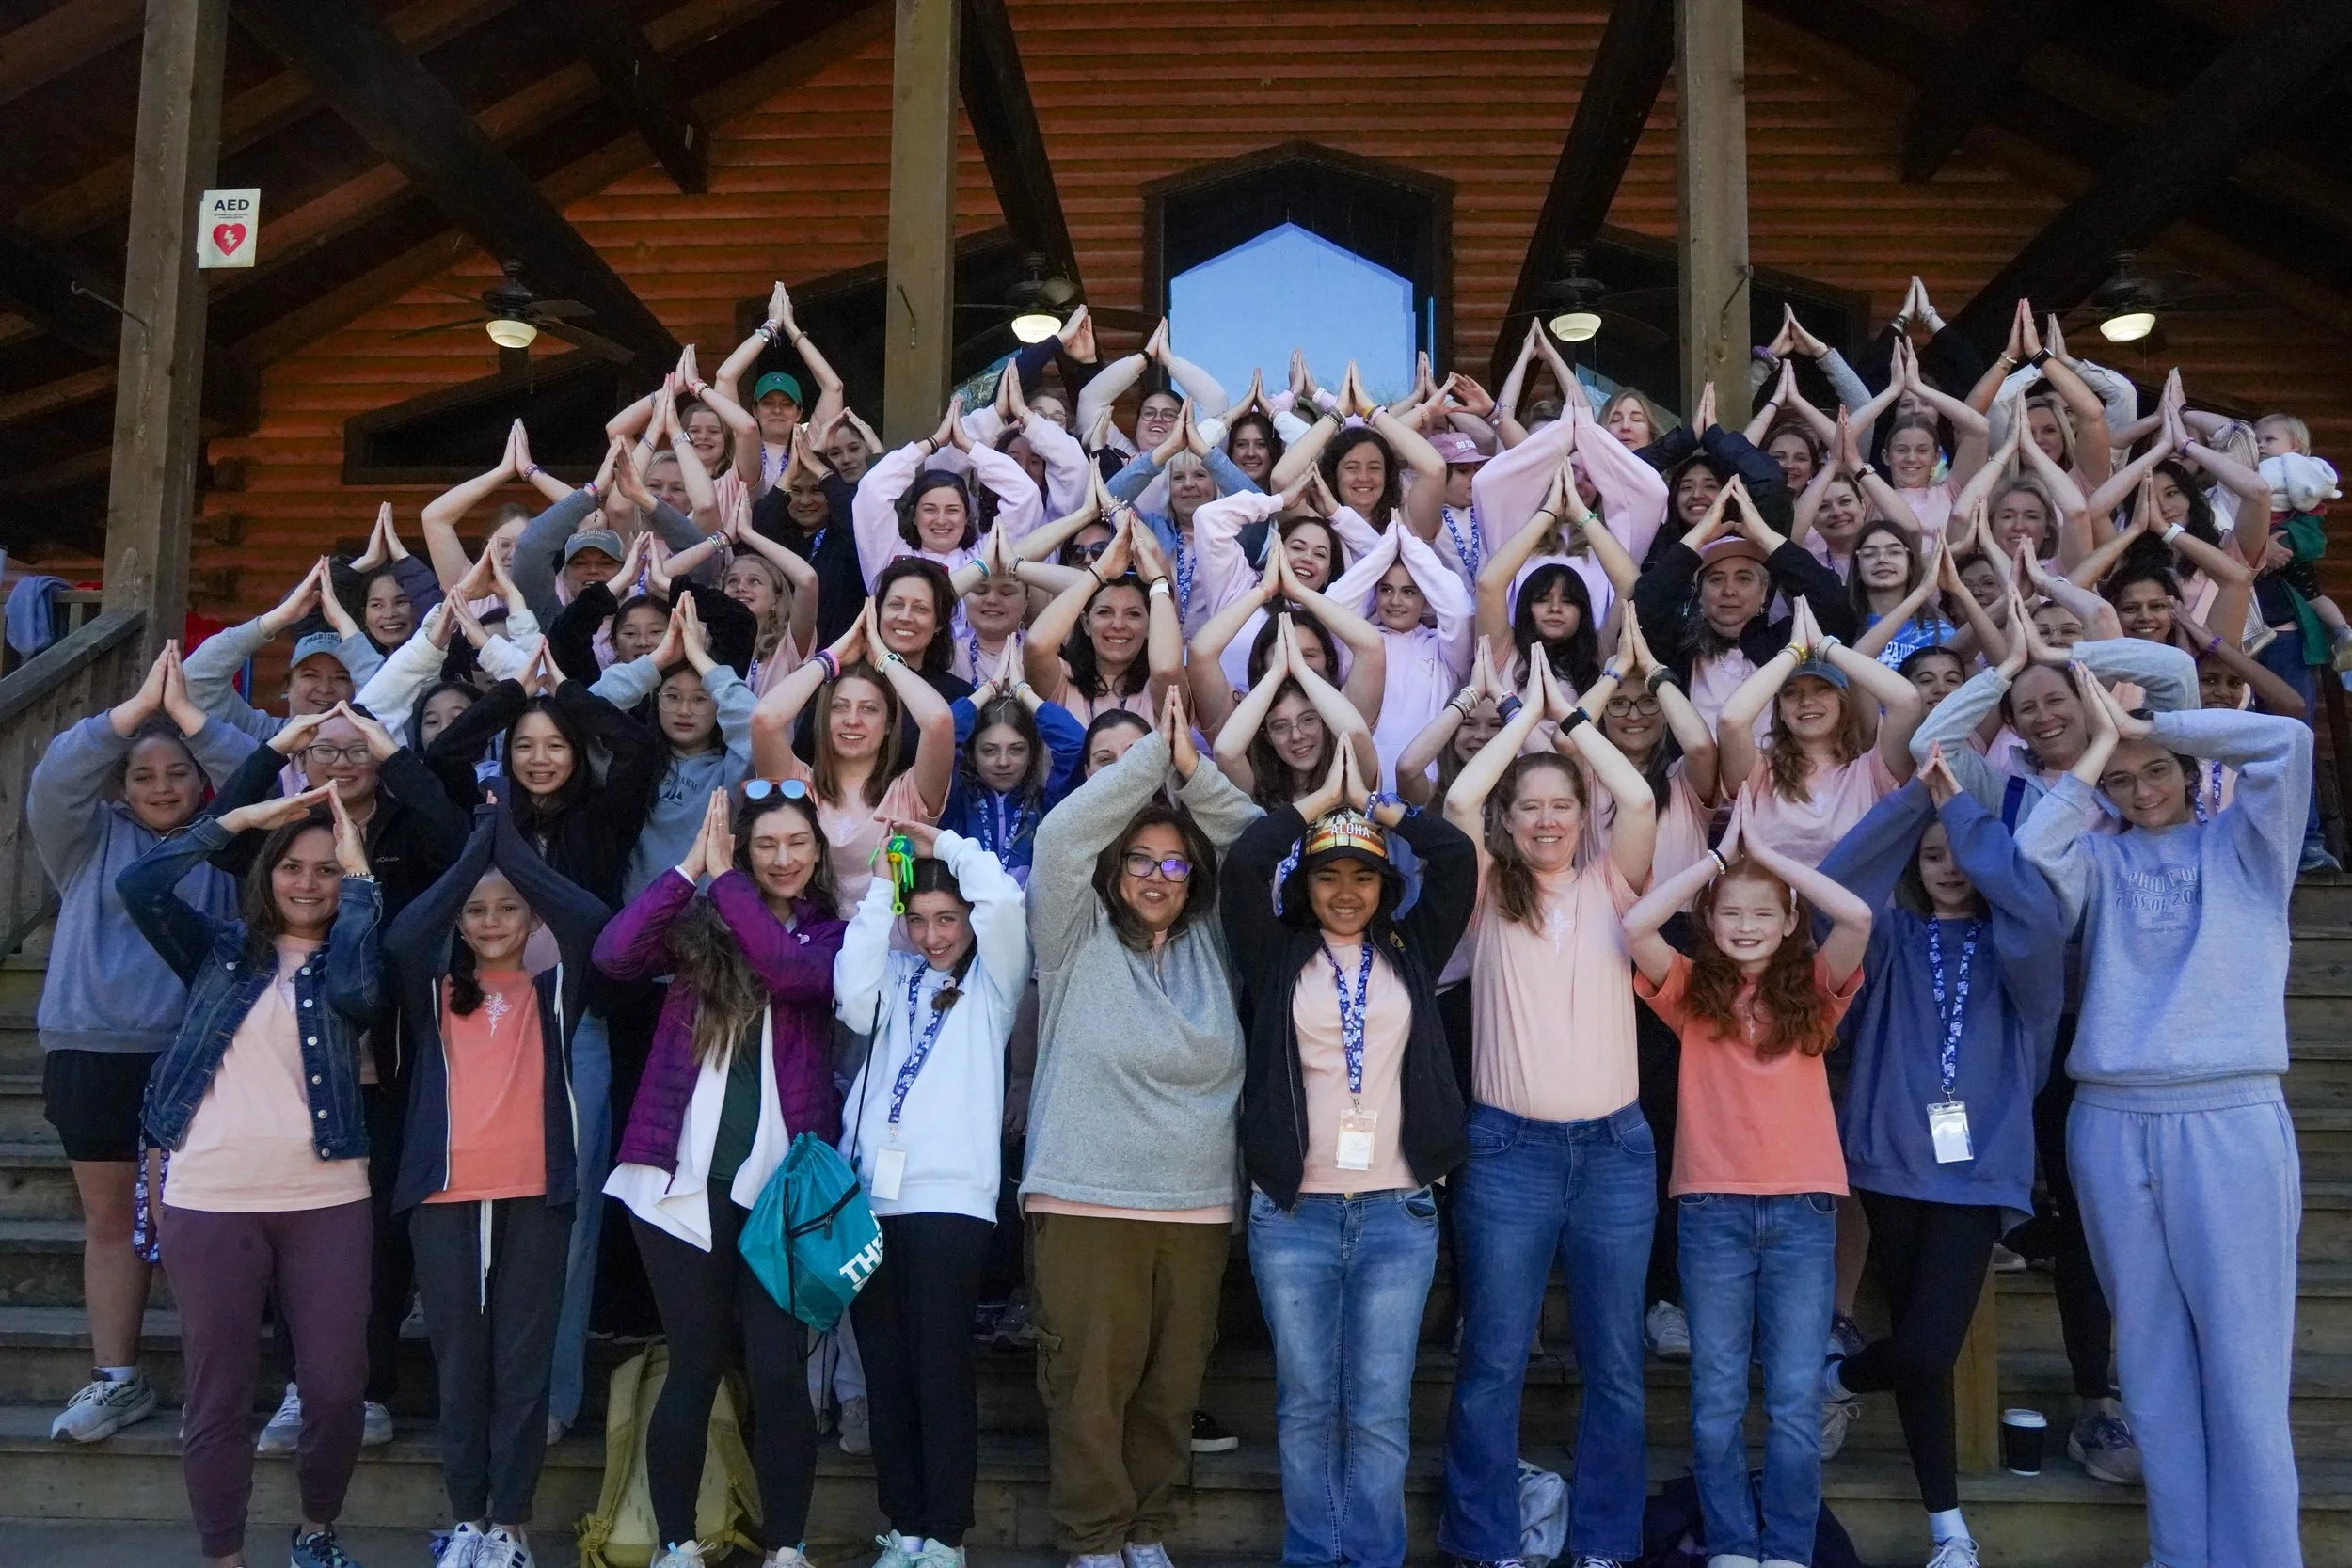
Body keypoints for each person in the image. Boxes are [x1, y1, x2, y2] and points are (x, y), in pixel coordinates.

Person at [2018, 676, 2311, 1568]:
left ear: (2188, 774)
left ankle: (2262, 1556)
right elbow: (2035, 842)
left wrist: (2151, 721)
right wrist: (2099, 746)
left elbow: (2286, 745)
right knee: (2146, 1360)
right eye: (2123, 781)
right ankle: (2179, 1552)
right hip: (2110, 1116)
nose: (2142, 791)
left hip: (2228, 1111)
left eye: (2158, 773)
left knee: (2244, 1359)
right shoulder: (2099, 861)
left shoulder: (2251, 846)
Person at [1219, 742, 1475, 1568]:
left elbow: (1456, 856)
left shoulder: (1410, 947)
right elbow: (1243, 865)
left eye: (1362, 876)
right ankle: (1310, 1553)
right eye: (1328, 876)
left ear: (1383, 886)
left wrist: (1382, 808)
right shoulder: (1277, 950)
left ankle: (1370, 1557)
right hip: (1294, 1212)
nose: (1344, 891)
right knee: (1304, 1403)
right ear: (1305, 886)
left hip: (1398, 1209)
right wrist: (1316, 803)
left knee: (1377, 1408)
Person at [1021, 687, 1260, 1568]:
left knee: (1168, 1392)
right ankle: (1093, 1538)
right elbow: (1058, 838)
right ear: (1113, 869)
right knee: (1089, 1390)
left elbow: (1261, 846)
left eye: (1175, 864)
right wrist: (1152, 758)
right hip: (1085, 1198)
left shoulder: (1216, 938)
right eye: (1141, 861)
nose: (1159, 877)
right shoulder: (1074, 934)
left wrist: (1191, 769)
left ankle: (1146, 1530)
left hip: (1194, 1204)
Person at [1815, 747, 2065, 1568]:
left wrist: (1962, 815)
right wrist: (1910, 804)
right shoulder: (1887, 934)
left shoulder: (2018, 949)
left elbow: (2031, 908)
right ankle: (1948, 1528)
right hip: (1888, 1163)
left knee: (1926, 1347)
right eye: (1933, 855)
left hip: (1977, 1171)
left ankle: (1840, 1381)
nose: (1950, 867)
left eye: (1963, 854)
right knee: (1924, 1353)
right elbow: (1835, 889)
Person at [119, 784, 380, 1568]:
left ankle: (316, 1530)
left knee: (336, 1390)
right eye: (292, 866)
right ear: (265, 872)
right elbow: (140, 884)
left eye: (328, 869)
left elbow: (358, 995)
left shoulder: (353, 952)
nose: (308, 882)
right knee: (219, 1393)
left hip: (327, 1196)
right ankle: (223, 1554)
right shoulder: (218, 947)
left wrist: (363, 883)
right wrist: (238, 820)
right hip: (210, 1197)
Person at [1436, 657, 1661, 1568]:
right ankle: (1485, 1540)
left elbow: (1638, 799)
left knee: (1615, 1365)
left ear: (1581, 812)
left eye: (1559, 803)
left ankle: (1605, 1542)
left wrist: (1565, 720)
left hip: (1615, 1151)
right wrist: (1514, 723)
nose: (1543, 818)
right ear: (1509, 818)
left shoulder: (1613, 880)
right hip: (1508, 1152)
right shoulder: (1490, 889)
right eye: (1526, 805)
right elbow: (1457, 800)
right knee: (1492, 1362)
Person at [597, 787, 847, 1568]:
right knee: (695, 1360)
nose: (783, 857)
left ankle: (787, 1548)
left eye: (796, 843)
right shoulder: (700, 926)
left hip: (784, 1191)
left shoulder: (831, 934)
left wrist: (727, 878)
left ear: (816, 853)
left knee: (777, 1371)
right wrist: (686, 873)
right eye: (765, 843)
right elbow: (612, 956)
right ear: (745, 846)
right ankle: (676, 1544)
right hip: (680, 1185)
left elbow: (790, 974)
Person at [1623, 804, 1872, 1568]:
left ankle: (1788, 1548)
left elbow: (1856, 914)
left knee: (1796, 1397)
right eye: (1731, 912)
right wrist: (1713, 864)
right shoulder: (1693, 988)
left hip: (1801, 1208)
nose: (1745, 923)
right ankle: (1733, 1544)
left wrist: (1771, 859)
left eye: (1763, 911)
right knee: (1717, 1396)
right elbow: (1637, 925)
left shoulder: (1817, 987)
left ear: (1789, 917)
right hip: (1711, 1208)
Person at [28, 643, 253, 1442]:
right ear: (120, 786)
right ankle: (116, 1378)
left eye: (178, 771)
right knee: (110, 1222)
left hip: (189, 1057)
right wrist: (130, 714)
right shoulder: (86, 840)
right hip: (91, 1049)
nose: (162, 786)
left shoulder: (231, 843)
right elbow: (58, 773)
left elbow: (262, 770)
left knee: (186, 1224)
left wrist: (191, 715)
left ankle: (213, 1389)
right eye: (143, 774)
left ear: (202, 782)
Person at [384, 802, 611, 1568]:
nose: (489, 921)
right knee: (461, 1365)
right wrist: (470, 859)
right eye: (475, 910)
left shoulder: (551, 990)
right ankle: (469, 1520)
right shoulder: (439, 991)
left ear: (528, 915)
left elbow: (586, 915)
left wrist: (503, 843)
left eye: (506, 907)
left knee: (521, 1366)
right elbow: (406, 932)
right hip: (444, 1201)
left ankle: (511, 1526)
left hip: (535, 1197)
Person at [834, 820, 1028, 1568]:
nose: (934, 934)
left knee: (939, 1364)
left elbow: (1007, 903)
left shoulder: (992, 981)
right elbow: (849, 995)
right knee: (885, 1368)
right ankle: (905, 1523)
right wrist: (887, 884)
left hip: (952, 1199)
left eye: (947, 919)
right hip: (873, 1199)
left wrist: (943, 844)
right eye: (920, 921)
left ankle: (946, 1533)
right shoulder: (893, 976)